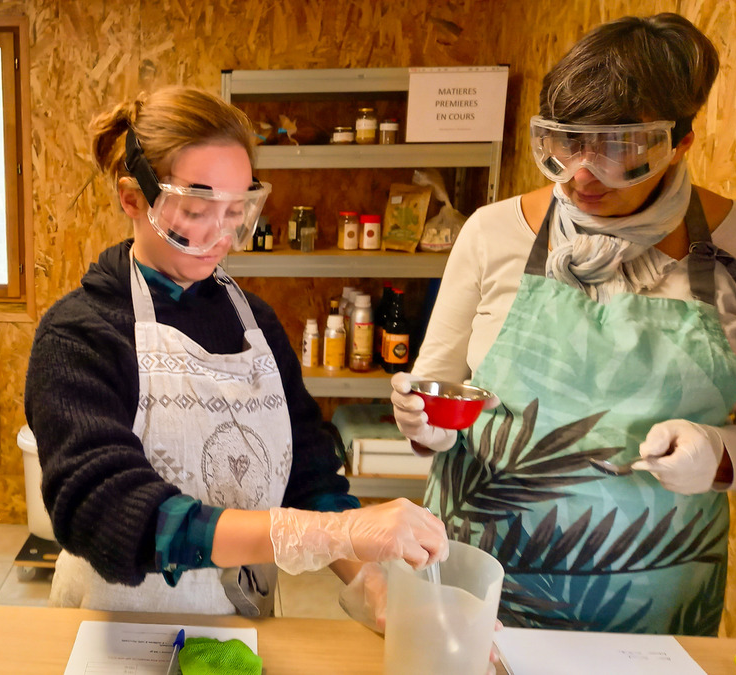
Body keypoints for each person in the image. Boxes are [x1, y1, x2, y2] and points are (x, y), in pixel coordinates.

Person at [24, 86, 448, 615]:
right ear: (132, 197)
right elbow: (105, 513)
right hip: (115, 625)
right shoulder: (80, 334)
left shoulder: (256, 324)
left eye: (237, 209)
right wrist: (324, 533)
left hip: (243, 622)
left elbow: (308, 470)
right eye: (199, 207)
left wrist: (366, 573)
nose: (222, 235)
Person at [389, 13, 736, 636]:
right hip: (478, 581)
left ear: (678, 144)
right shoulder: (493, 231)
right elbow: (435, 391)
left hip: (651, 596)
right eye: (567, 143)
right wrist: (424, 428)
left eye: (617, 148)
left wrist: (723, 458)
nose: (581, 174)